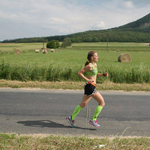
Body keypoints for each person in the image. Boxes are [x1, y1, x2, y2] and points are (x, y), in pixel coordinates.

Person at [66, 51, 108, 128]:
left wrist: (103, 74)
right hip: (90, 86)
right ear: (92, 57)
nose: (98, 57)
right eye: (96, 56)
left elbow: (95, 75)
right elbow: (79, 73)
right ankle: (93, 120)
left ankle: (71, 118)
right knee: (102, 103)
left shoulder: (95, 65)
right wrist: (87, 79)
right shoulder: (89, 66)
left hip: (90, 86)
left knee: (83, 104)